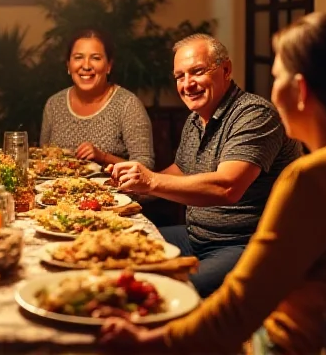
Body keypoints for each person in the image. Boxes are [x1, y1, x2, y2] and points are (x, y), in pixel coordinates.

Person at [100, 12, 326, 354]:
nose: (187, 83)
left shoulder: (313, 177)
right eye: (180, 75)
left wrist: (149, 342)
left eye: (276, 77)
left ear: (300, 90)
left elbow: (240, 307)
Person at [110, 33, 301, 297]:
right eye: (180, 76)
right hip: (195, 237)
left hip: (245, 245)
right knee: (109, 250)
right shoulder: (196, 118)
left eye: (197, 72)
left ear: (226, 70)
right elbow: (181, 170)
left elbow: (227, 187)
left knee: (171, 294)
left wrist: (151, 182)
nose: (187, 84)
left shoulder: (255, 115)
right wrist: (128, 188)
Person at [39, 29, 154, 168]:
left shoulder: (128, 105)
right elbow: (43, 158)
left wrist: (103, 157)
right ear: (68, 65)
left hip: (112, 189)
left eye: (96, 58)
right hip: (56, 188)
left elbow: (145, 166)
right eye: (78, 57)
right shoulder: (54, 104)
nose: (86, 66)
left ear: (108, 66)